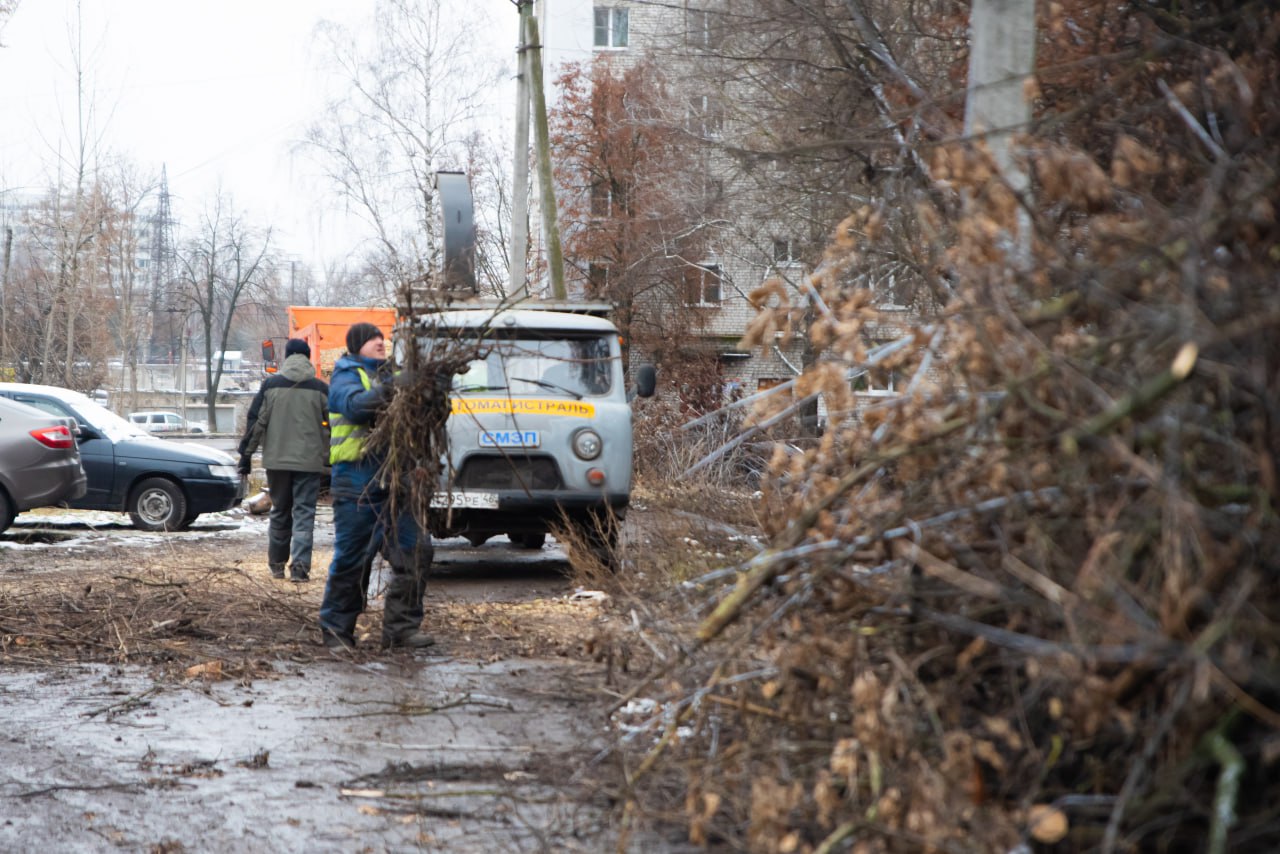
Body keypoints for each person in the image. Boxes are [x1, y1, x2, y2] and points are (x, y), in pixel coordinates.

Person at [318, 321, 434, 652]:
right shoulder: (345, 375)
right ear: (356, 346)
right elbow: (355, 407)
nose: (381, 342)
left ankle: (402, 630)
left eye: (382, 338)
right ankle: (337, 631)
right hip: (357, 481)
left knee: (416, 551)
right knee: (354, 559)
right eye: (372, 339)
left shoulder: (392, 374)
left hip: (397, 479)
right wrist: (394, 387)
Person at [238, 338, 330, 582]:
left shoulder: (271, 386)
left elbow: (256, 422)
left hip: (277, 462)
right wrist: (331, 459)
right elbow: (334, 426)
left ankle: (277, 566)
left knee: (280, 510)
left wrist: (246, 456)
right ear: (308, 358)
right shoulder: (321, 389)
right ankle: (300, 568)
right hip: (309, 463)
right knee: (304, 513)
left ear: (287, 357)